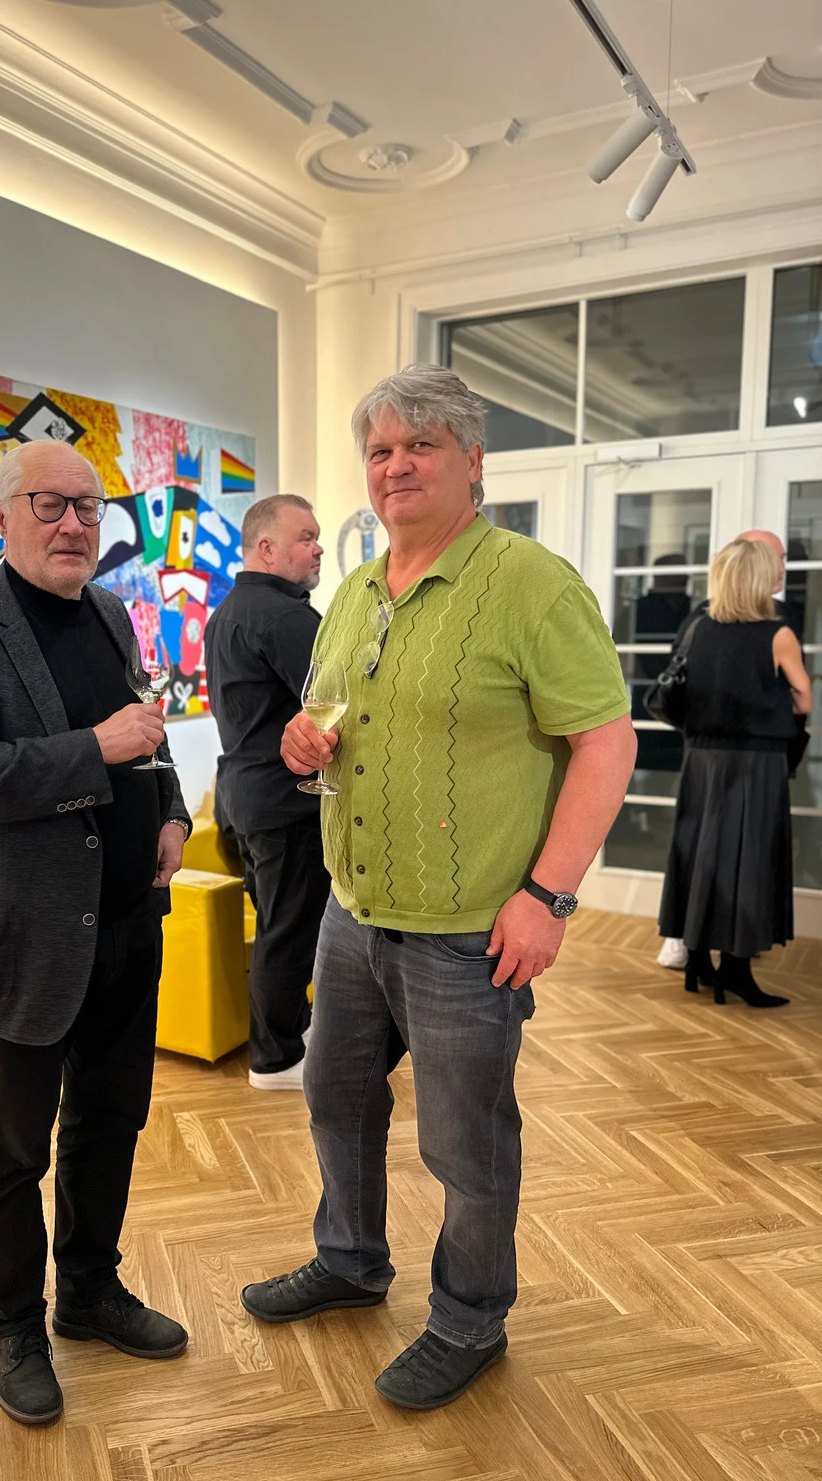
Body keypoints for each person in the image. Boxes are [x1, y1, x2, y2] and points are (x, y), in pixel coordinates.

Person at [239, 363, 636, 1412]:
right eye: (381, 449)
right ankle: (350, 1258)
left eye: (422, 444)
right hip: (354, 908)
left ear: (472, 460)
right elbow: (331, 719)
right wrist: (304, 744)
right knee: (335, 1097)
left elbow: (607, 742)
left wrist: (548, 897)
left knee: (464, 1141)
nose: (397, 465)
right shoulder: (355, 593)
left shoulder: (531, 584)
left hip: (473, 930)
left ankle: (469, 1317)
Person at [0, 440, 193, 1429]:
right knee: (12, 1151)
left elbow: (147, 732)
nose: (73, 525)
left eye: (88, 507)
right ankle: (16, 1325)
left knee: (111, 1121)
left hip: (126, 924)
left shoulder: (109, 613)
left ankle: (89, 1292)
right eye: (50, 504)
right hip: (17, 939)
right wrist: (91, 751)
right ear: (3, 514)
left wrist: (170, 811)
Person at [203, 495, 329, 1090]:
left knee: (280, 925)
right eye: (306, 537)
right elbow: (341, 704)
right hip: (286, 802)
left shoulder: (227, 612)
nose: (318, 548)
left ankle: (288, 1037)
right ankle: (276, 1059)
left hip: (242, 799)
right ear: (267, 548)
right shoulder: (283, 617)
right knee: (289, 932)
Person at [658, 536, 811, 1007]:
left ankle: (697, 962)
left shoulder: (698, 629)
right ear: (760, 580)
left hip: (702, 760)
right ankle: (736, 970)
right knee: (750, 860)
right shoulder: (778, 635)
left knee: (699, 855)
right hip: (755, 763)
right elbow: (803, 697)